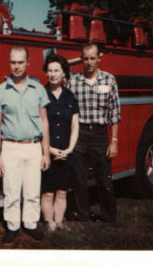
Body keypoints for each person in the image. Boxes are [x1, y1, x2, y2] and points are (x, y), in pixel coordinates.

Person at [0, 45, 50, 244]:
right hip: (11, 147)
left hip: (33, 147)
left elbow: (45, 122)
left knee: (32, 191)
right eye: (13, 62)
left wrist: (45, 152)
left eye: (20, 62)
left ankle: (31, 224)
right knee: (11, 191)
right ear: (9, 63)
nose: (16, 66)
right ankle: (12, 226)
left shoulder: (38, 89)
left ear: (28, 63)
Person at [68, 42, 121, 226]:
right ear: (81, 59)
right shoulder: (73, 82)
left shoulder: (109, 80)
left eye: (92, 58)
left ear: (100, 58)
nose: (89, 62)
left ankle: (110, 217)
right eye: (85, 59)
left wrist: (113, 141)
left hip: (100, 135)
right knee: (80, 179)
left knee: (104, 179)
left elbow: (114, 113)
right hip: (80, 134)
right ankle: (83, 217)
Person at [41, 54, 80, 232]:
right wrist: (49, 150)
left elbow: (75, 125)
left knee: (62, 191)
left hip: (66, 153)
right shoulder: (41, 95)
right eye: (50, 70)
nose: (53, 74)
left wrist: (70, 149)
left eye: (56, 70)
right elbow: (38, 127)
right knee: (48, 192)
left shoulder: (70, 96)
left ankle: (59, 221)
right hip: (47, 152)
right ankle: (49, 223)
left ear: (63, 73)